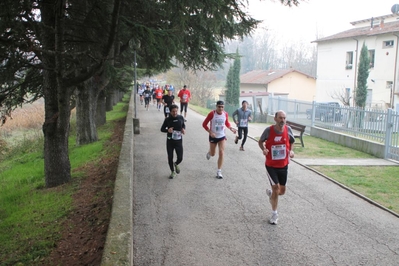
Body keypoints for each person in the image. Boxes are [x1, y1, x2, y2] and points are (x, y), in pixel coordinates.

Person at [258, 110, 295, 225]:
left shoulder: (288, 130)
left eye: (284, 118)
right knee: (275, 188)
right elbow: (260, 141)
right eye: (280, 118)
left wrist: (292, 150)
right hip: (271, 165)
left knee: (281, 191)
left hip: (283, 165)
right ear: (275, 119)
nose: (282, 120)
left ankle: (272, 196)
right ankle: (274, 214)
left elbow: (292, 141)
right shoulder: (268, 130)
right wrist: (264, 149)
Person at [202, 100, 237, 179]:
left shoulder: (225, 114)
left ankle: (219, 171)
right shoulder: (212, 114)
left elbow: (226, 123)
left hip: (222, 136)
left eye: (222, 107)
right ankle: (209, 152)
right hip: (213, 136)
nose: (221, 108)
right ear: (216, 106)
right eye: (219, 107)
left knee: (221, 152)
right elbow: (204, 124)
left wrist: (231, 128)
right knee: (213, 154)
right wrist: (210, 132)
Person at [160, 104, 186, 179]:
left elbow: (183, 125)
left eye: (176, 111)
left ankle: (176, 163)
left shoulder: (180, 117)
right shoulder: (167, 119)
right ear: (170, 112)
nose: (175, 113)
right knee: (170, 157)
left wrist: (183, 129)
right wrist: (167, 130)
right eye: (173, 111)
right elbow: (162, 129)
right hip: (170, 141)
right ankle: (172, 172)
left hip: (178, 141)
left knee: (180, 157)